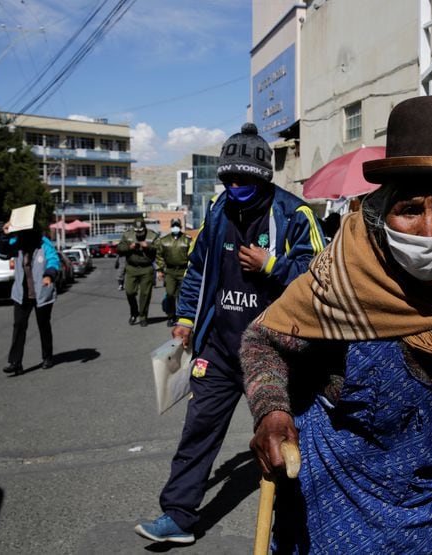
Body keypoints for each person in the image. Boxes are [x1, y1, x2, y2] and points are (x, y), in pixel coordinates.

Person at [241, 96, 432, 553]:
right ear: (381, 218)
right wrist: (273, 411)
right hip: (344, 504)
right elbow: (263, 339)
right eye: (408, 209)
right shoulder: (342, 277)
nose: (426, 230)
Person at [135, 122, 326, 544]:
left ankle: (296, 531)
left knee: (285, 442)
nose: (235, 185)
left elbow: (322, 277)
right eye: (229, 178)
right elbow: (198, 270)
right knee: (197, 431)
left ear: (262, 177)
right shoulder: (218, 212)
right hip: (220, 349)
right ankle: (179, 515)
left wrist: (271, 266)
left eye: (244, 179)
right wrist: (186, 321)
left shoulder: (295, 214)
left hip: (274, 353)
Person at [0, 218, 61, 374]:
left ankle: (47, 357)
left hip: (42, 292)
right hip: (22, 294)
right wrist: (4, 235)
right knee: (19, 326)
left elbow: (53, 260)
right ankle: (15, 363)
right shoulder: (16, 243)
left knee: (43, 325)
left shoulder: (43, 242)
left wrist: (49, 275)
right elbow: (2, 253)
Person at [116, 218, 159, 327]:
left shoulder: (152, 235)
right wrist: (129, 247)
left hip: (146, 268)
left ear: (144, 228)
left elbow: (159, 248)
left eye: (141, 231)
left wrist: (147, 246)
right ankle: (134, 312)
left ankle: (143, 316)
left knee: (145, 294)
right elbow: (119, 248)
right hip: (131, 267)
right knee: (129, 292)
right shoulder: (128, 235)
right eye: (137, 231)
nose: (139, 233)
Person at [154, 218, 191, 326]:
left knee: (182, 295)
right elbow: (159, 256)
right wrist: (159, 270)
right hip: (170, 271)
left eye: (177, 225)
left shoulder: (187, 240)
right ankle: (171, 315)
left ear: (180, 227)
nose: (176, 227)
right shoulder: (164, 240)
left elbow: (192, 255)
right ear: (171, 227)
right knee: (170, 294)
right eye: (174, 225)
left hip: (183, 270)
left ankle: (181, 317)